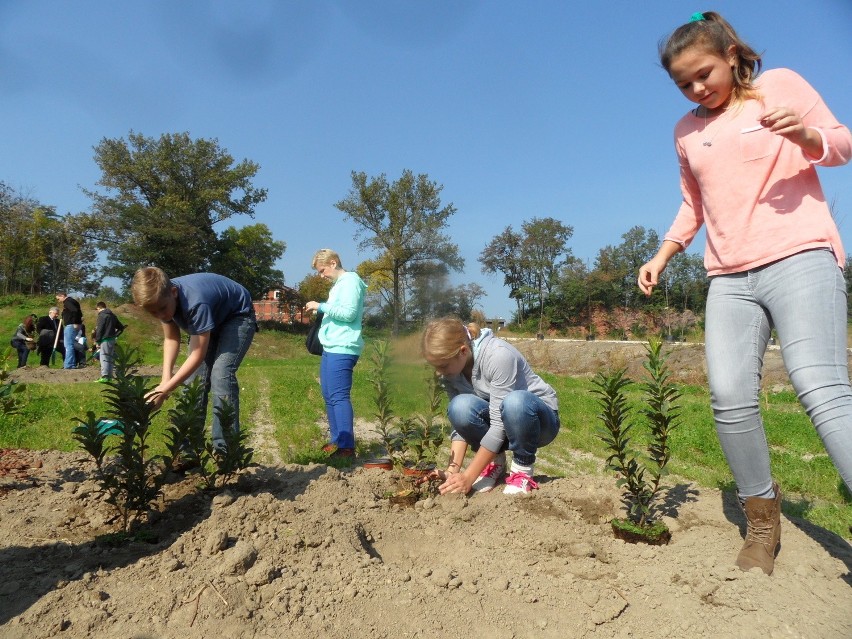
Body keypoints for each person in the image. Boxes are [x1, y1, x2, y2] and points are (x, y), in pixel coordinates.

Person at [638, 12, 852, 576]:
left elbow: (842, 144)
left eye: (703, 73)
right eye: (683, 84)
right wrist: (663, 253)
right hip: (729, 277)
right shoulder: (686, 131)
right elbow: (695, 202)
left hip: (799, 255)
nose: (696, 88)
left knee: (820, 386)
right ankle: (762, 520)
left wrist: (805, 137)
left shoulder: (778, 86)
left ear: (730, 54)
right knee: (729, 395)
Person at [420, 318, 560, 495]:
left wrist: (469, 476)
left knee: (515, 401)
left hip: (538, 422)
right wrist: (451, 471)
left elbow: (498, 424)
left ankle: (522, 471)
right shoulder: (450, 373)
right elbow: (460, 425)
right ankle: (495, 463)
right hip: (502, 421)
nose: (439, 372)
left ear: (462, 351)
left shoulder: (497, 355)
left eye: (442, 365)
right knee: (459, 406)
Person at [131, 266, 257, 454]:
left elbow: (197, 355)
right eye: (153, 313)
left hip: (236, 315)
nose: (161, 316)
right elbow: (171, 339)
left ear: (173, 293)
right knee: (194, 382)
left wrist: (164, 391)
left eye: (162, 309)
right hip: (212, 315)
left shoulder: (195, 302)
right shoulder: (162, 300)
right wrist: (164, 382)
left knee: (221, 374)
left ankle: (226, 451)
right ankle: (188, 453)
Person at [305, 249, 367, 460]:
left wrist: (320, 306)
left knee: (338, 396)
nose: (321, 275)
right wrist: (323, 310)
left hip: (343, 347)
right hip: (332, 347)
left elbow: (349, 314)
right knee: (329, 395)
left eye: (322, 270)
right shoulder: (340, 285)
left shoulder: (351, 282)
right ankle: (337, 441)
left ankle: (346, 448)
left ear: (333, 263)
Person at [94, 301, 124, 382]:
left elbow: (100, 329)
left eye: (97, 309)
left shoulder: (102, 315)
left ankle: (105, 376)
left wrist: (97, 341)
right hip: (112, 339)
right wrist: (115, 334)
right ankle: (110, 377)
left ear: (99, 308)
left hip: (105, 339)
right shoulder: (112, 315)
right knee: (110, 358)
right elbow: (121, 327)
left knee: (104, 357)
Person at [55, 291, 83, 370]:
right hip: (74, 325)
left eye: (58, 298)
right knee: (70, 345)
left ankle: (68, 365)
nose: (58, 301)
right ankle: (72, 364)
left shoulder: (67, 302)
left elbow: (75, 311)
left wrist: (75, 322)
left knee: (68, 345)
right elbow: (79, 312)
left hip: (71, 325)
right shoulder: (74, 301)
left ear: (62, 296)